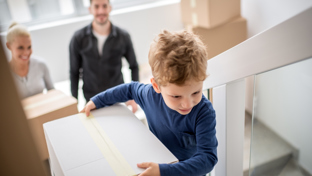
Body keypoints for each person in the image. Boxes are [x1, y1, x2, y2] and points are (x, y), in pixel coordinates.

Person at [81, 30, 218, 176]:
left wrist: (163, 171)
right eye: (176, 96)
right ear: (156, 86)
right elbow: (130, 88)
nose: (188, 103)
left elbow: (208, 158)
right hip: (155, 162)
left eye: (196, 92)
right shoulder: (149, 96)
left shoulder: (203, 112)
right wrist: (98, 100)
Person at [69, 0, 139, 112]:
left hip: (118, 97)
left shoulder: (123, 36)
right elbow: (74, 72)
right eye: (96, 7)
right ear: (90, 9)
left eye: (104, 6)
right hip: (91, 99)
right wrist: (73, 104)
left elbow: (134, 66)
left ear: (110, 8)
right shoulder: (78, 38)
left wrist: (134, 96)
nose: (101, 11)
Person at [6, 22, 54, 99]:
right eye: (20, 47)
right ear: (8, 46)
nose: (26, 52)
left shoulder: (41, 64)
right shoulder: (4, 74)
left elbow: (53, 92)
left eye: (29, 47)